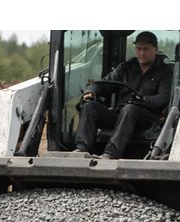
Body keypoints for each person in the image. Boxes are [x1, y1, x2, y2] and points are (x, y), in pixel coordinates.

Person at [73, 31, 173, 159]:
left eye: (146, 49)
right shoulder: (125, 68)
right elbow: (104, 84)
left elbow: (163, 98)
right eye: (139, 49)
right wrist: (91, 91)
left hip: (147, 118)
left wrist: (142, 100)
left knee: (129, 109)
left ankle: (110, 153)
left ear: (156, 49)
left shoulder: (165, 72)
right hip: (121, 115)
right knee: (90, 106)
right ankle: (81, 149)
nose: (142, 53)